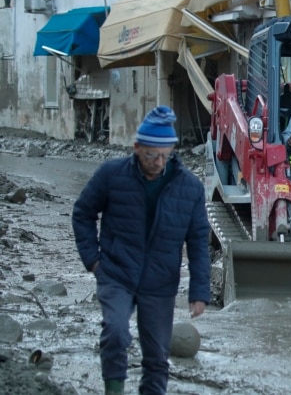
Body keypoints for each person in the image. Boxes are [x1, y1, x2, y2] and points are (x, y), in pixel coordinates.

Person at [72, 106, 211, 395]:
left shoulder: (190, 188)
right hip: (116, 272)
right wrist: (93, 261)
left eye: (166, 155)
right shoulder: (111, 175)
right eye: (151, 155)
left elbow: (198, 240)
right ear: (136, 148)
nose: (159, 162)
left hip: (159, 282)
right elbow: (83, 213)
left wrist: (199, 292)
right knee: (115, 333)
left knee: (157, 357)